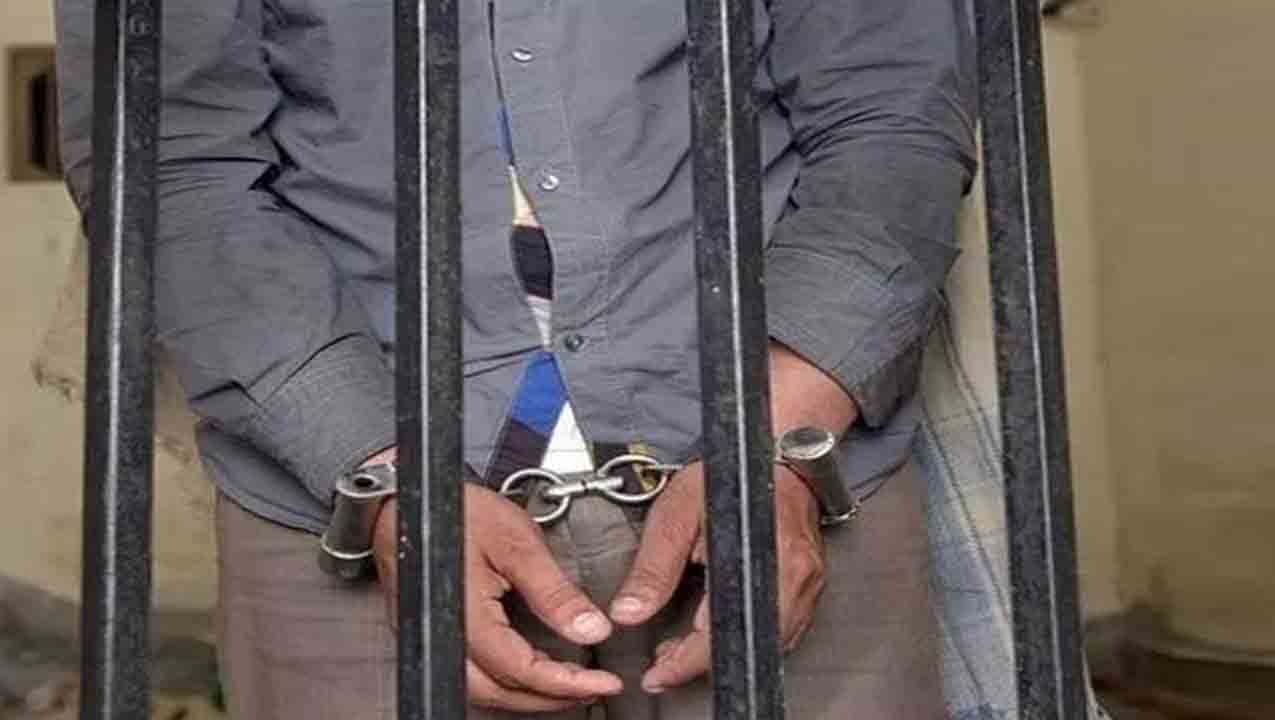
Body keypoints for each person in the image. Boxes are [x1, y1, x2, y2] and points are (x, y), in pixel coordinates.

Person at [53, 1, 1075, 717]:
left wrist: (775, 442)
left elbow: (893, 110)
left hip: (781, 457)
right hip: (343, 487)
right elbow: (169, 165)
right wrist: (382, 474)